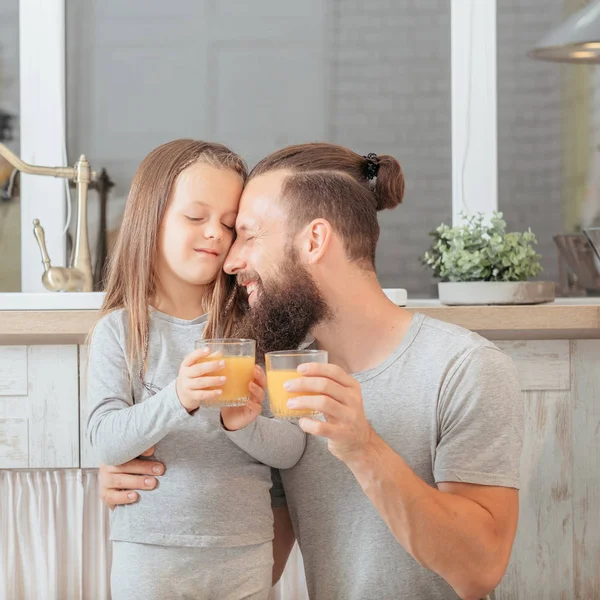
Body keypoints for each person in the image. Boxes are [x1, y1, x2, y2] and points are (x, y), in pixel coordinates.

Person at [100, 143, 523, 600]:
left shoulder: (463, 369)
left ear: (314, 240)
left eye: (246, 234)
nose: (230, 259)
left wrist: (363, 448)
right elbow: (261, 547)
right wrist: (150, 484)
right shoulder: (279, 370)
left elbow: (480, 571)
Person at [86, 139, 305, 600]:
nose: (215, 234)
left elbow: (291, 448)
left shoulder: (256, 327)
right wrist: (177, 398)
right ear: (152, 215)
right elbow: (106, 439)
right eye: (195, 217)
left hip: (244, 551)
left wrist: (241, 425)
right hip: (147, 554)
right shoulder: (119, 331)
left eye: (228, 224)